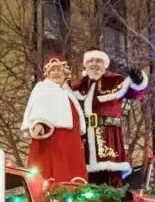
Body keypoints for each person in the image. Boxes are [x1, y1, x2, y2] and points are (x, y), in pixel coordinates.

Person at [71, 49, 148, 186]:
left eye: (98, 61)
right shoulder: (79, 86)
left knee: (110, 180)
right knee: (86, 181)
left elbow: (135, 92)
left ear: (105, 65)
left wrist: (138, 80)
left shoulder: (115, 81)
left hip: (109, 138)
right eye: (90, 61)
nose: (94, 64)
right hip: (85, 141)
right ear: (85, 64)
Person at [21, 56, 88, 183]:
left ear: (65, 73)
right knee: (53, 172)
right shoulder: (43, 87)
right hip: (53, 139)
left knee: (73, 172)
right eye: (53, 70)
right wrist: (38, 123)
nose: (57, 73)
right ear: (48, 73)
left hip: (70, 140)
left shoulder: (67, 92)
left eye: (60, 70)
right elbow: (37, 107)